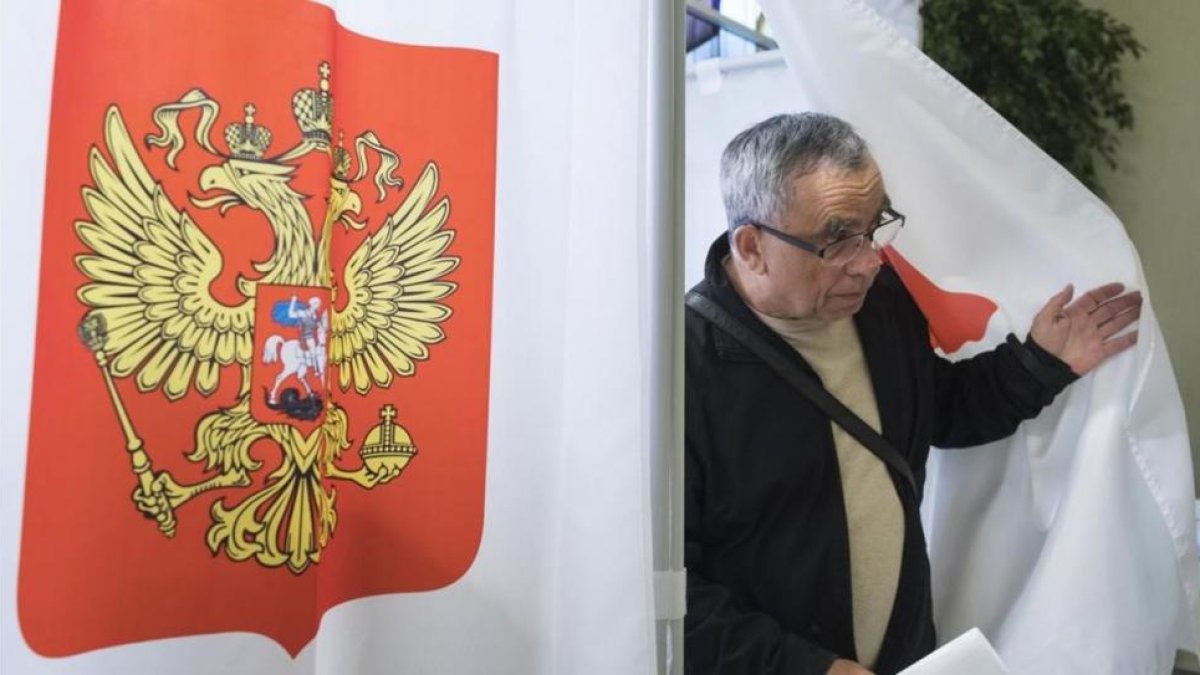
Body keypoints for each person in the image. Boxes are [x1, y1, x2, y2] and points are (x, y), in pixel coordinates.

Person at [684, 113, 1142, 675]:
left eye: (875, 227)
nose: (868, 261)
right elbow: (667, 592)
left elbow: (937, 411)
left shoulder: (878, 303)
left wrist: (1041, 362)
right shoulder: (684, 369)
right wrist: (809, 668)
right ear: (751, 246)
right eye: (836, 239)